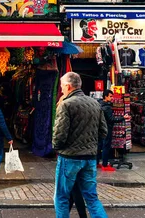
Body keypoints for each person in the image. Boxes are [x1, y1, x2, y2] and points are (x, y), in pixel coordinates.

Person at [53, 72, 108, 218]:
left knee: (61, 197)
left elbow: (59, 134)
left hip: (69, 157)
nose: (62, 89)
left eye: (62, 86)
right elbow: (103, 131)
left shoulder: (66, 104)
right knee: (91, 198)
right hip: (89, 157)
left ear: (68, 86)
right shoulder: (94, 103)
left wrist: (56, 147)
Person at [98, 89, 124, 172]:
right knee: (106, 146)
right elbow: (111, 119)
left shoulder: (99, 104)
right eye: (111, 96)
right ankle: (105, 164)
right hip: (107, 128)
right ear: (106, 97)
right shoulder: (107, 107)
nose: (112, 98)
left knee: (100, 145)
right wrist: (123, 118)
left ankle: (97, 162)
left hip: (100, 127)